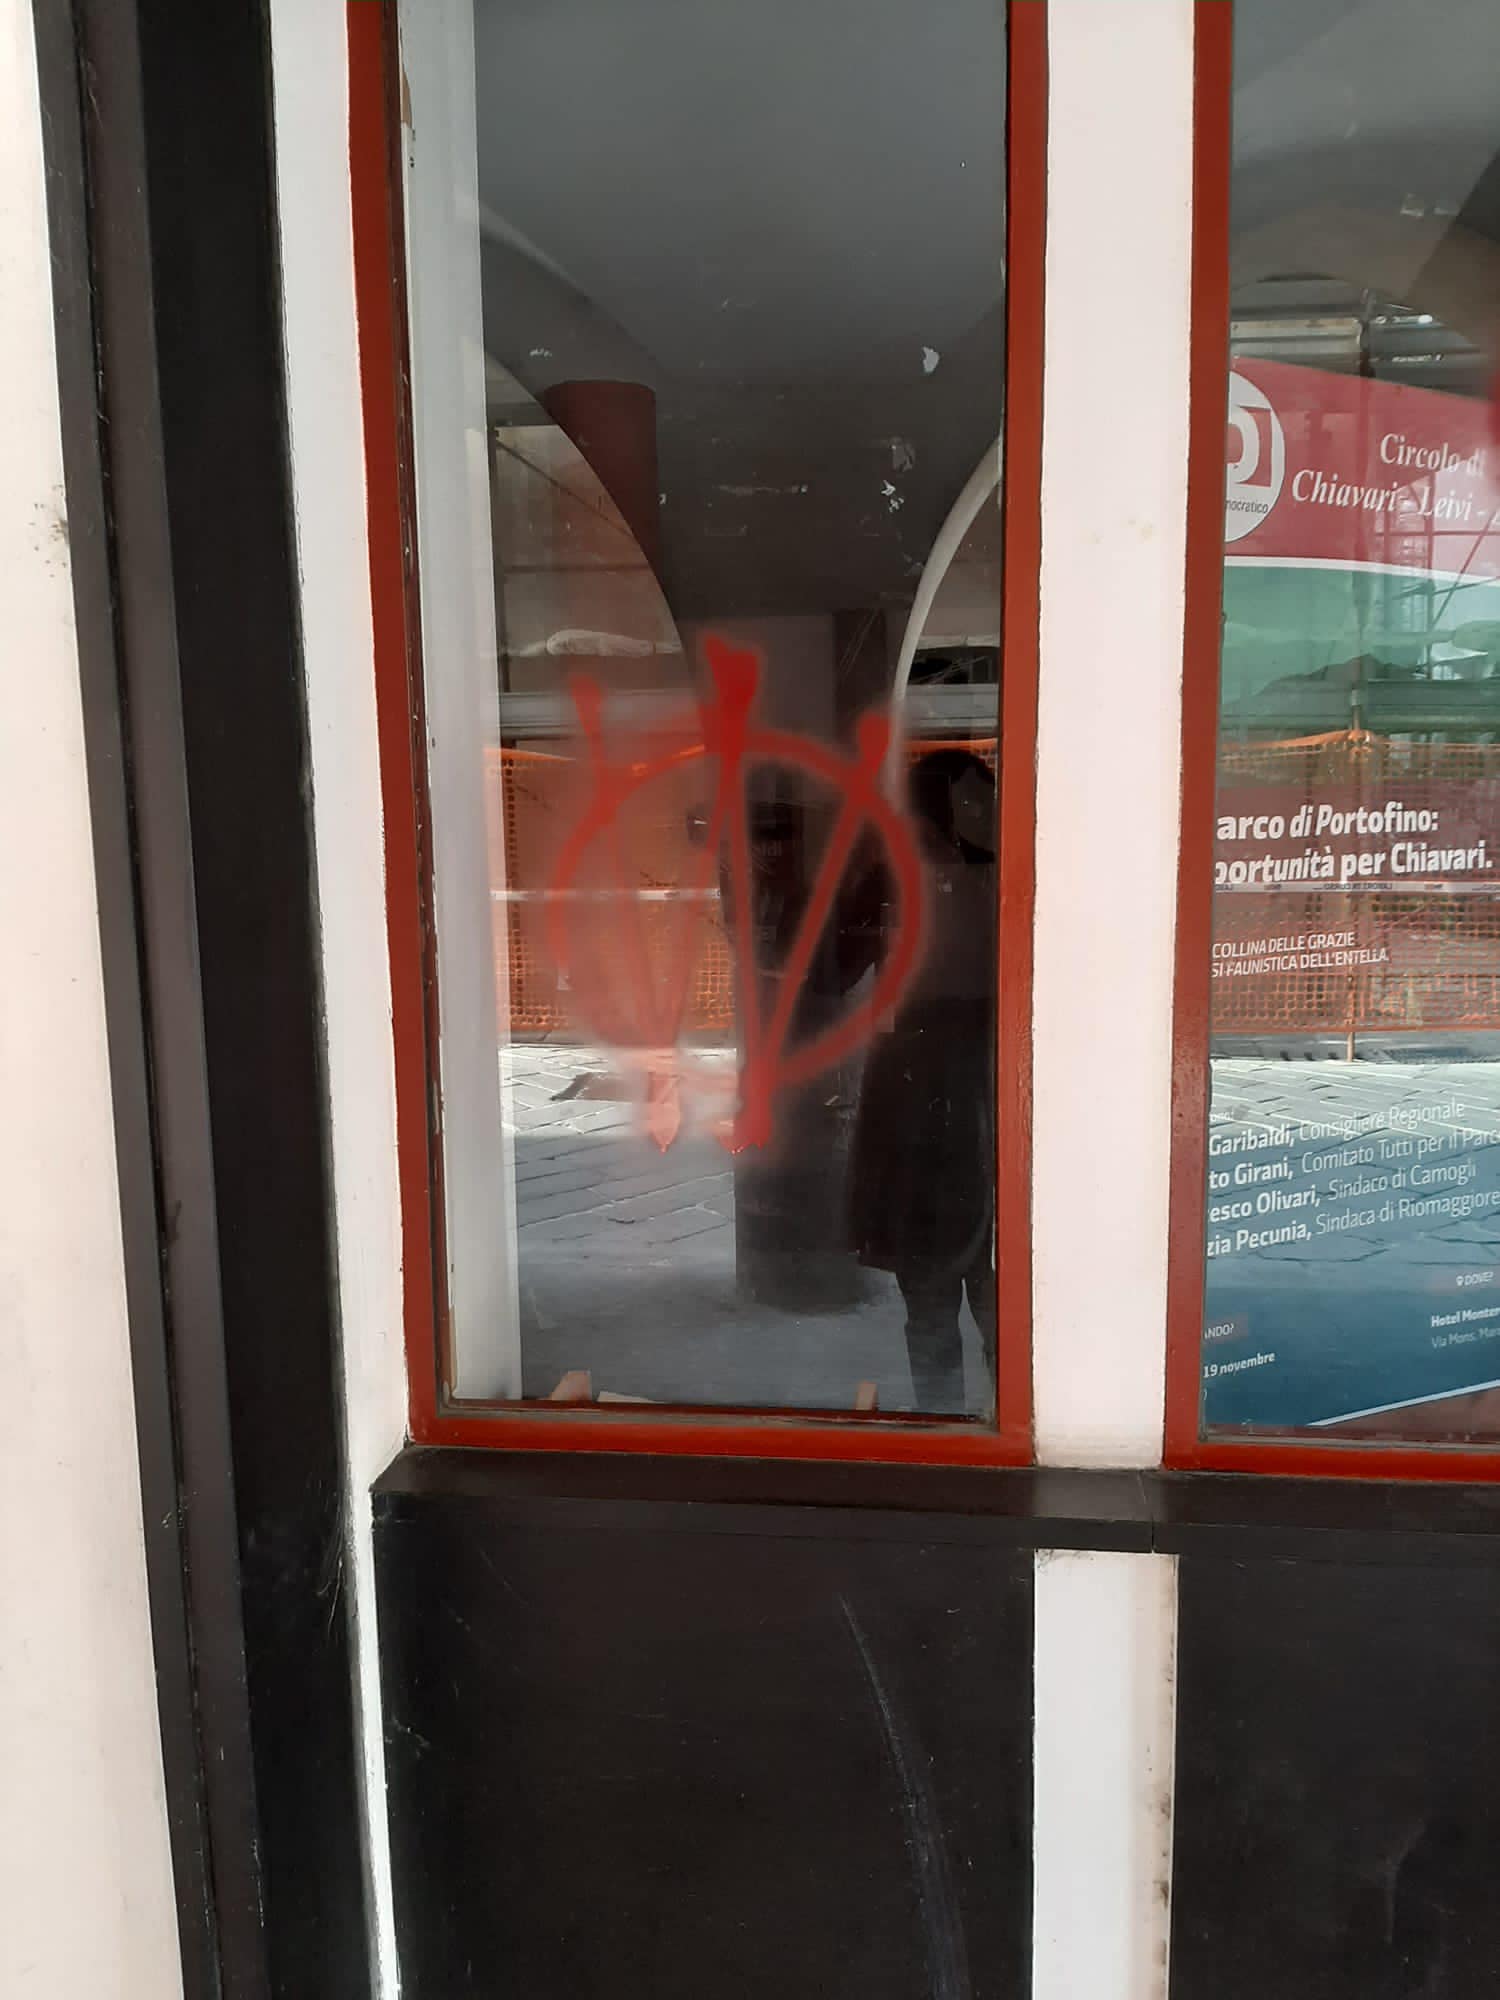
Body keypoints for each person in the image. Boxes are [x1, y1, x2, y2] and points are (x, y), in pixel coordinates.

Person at [844, 748, 997, 1411]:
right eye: (972, 801)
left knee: (994, 1293)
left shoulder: (999, 874)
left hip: (974, 1088)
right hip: (927, 1092)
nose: (985, 814)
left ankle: (994, 1421)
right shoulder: (897, 876)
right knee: (939, 1289)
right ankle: (948, 1422)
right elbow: (830, 966)